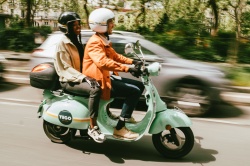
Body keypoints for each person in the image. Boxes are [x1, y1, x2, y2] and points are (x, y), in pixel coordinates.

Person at [83, 8, 145, 140]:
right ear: (102, 24)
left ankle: (125, 117)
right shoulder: (95, 42)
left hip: (108, 76)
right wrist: (128, 69)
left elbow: (115, 56)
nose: (113, 24)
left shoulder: (103, 39)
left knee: (140, 86)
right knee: (133, 91)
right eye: (111, 22)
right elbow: (103, 63)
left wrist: (133, 62)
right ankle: (120, 128)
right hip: (99, 80)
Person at [54, 11, 105, 143]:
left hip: (79, 77)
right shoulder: (63, 44)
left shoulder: (77, 40)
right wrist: (84, 78)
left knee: (105, 83)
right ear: (66, 28)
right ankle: (92, 127)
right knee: (95, 90)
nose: (78, 27)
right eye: (74, 25)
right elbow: (66, 68)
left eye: (78, 24)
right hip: (68, 80)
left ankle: (99, 121)